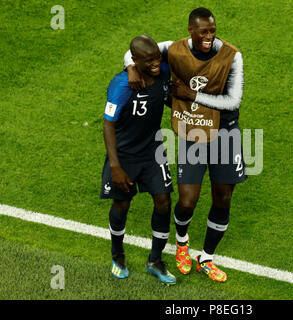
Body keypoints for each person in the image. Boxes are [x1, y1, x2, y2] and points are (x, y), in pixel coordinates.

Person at [124, 7, 246, 283]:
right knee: (188, 200)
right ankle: (182, 243)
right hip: (193, 132)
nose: (209, 36)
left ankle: (206, 257)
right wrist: (132, 67)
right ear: (190, 30)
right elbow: (135, 51)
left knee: (223, 196)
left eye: (212, 31)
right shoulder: (174, 49)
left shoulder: (232, 56)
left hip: (225, 132)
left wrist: (193, 94)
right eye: (203, 31)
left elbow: (233, 101)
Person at [101, 35, 176, 285]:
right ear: (134, 61)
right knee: (122, 205)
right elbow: (108, 123)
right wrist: (115, 166)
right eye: (148, 60)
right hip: (125, 155)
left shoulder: (163, 71)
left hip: (153, 150)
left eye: (157, 58)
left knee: (164, 201)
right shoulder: (122, 85)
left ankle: (155, 261)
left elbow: (166, 97)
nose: (156, 63)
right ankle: (117, 255)